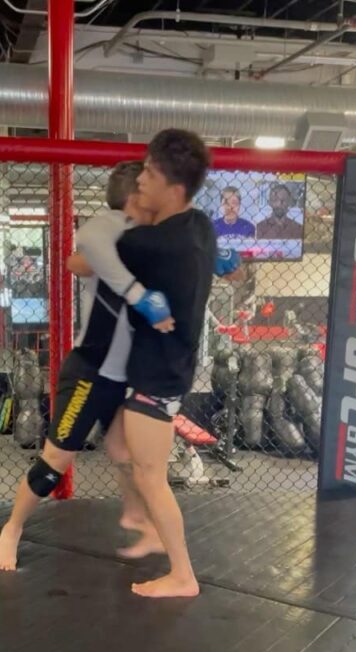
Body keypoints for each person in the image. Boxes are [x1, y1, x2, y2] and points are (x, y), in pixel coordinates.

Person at [0, 161, 173, 572]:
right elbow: (81, 258)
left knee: (125, 454)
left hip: (123, 378)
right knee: (55, 463)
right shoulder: (111, 229)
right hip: (89, 374)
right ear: (135, 197)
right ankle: (12, 528)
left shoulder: (146, 239)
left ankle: (136, 518)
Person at [113, 128, 216, 598]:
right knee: (122, 450)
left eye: (149, 175)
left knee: (151, 476)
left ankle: (182, 575)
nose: (140, 182)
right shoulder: (200, 225)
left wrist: (129, 217)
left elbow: (90, 258)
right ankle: (146, 525)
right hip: (169, 365)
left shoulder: (150, 245)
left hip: (158, 375)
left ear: (173, 188)